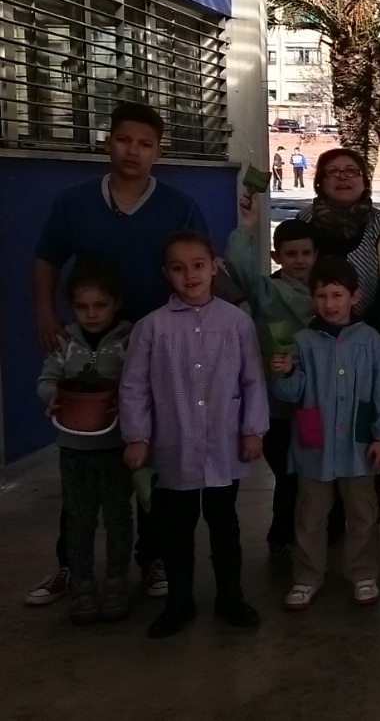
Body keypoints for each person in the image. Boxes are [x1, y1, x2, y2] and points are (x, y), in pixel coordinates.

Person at [30, 102, 208, 605]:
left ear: (159, 153)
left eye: (145, 144)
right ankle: (71, 565)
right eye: (125, 140)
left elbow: (198, 268)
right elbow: (46, 258)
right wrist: (45, 313)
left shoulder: (179, 207)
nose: (133, 151)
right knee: (84, 466)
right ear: (108, 142)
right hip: (95, 354)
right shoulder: (73, 203)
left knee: (151, 456)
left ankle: (152, 559)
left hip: (156, 352)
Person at [119, 229, 269, 639]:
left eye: (198, 265)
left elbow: (253, 380)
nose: (190, 276)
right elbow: (134, 386)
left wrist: (253, 430)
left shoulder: (237, 323)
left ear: (214, 266)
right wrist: (137, 436)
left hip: (224, 442)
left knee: (225, 525)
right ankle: (179, 603)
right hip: (174, 443)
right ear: (166, 273)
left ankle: (231, 597)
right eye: (179, 268)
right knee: (176, 529)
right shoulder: (151, 328)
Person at [271, 256, 380, 610]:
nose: (330, 303)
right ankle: (306, 576)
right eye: (322, 295)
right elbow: (290, 395)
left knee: (363, 515)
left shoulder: (371, 341)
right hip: (315, 449)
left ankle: (362, 573)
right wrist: (285, 373)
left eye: (337, 295)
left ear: (354, 297)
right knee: (309, 517)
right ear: (312, 298)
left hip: (360, 449)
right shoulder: (301, 342)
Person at [37, 263, 134, 625]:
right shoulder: (64, 342)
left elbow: (140, 382)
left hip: (117, 447)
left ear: (115, 303)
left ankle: (116, 584)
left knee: (118, 518)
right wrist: (53, 396)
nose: (92, 314)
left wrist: (124, 400)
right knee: (78, 520)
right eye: (82, 307)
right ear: (72, 307)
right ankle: (82, 587)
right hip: (73, 449)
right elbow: (47, 380)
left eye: (100, 305)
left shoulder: (130, 339)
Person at [228, 196, 317, 560]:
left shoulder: (327, 295)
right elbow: (239, 265)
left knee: (313, 475)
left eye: (306, 253)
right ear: (276, 256)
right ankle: (281, 536)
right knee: (288, 474)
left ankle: (315, 536)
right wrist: (248, 225)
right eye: (291, 254)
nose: (300, 260)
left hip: (314, 401)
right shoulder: (267, 292)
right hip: (276, 406)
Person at [295, 148, 380, 332]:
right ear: (319, 183)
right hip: (309, 330)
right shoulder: (304, 220)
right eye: (333, 171)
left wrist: (362, 330)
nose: (342, 177)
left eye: (352, 171)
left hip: (374, 332)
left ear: (365, 182)